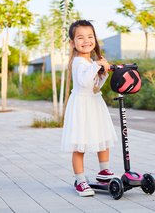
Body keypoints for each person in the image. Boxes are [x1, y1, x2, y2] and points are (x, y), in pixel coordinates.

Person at [61, 20, 118, 197]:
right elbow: (84, 81)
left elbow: (94, 86)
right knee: (80, 144)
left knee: (103, 137)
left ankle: (104, 172)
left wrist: (103, 73)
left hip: (94, 103)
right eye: (80, 37)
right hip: (81, 107)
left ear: (95, 39)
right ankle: (80, 180)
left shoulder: (90, 62)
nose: (86, 40)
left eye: (90, 36)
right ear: (73, 43)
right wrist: (96, 65)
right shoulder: (78, 62)